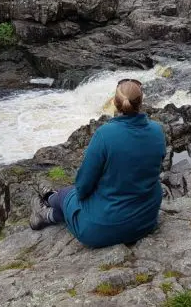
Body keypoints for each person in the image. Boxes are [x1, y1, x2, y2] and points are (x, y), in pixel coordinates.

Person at [29, 79, 166, 248]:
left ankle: (49, 203)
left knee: (68, 194)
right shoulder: (157, 131)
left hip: (103, 229)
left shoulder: (104, 134)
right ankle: (48, 207)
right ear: (141, 101)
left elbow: (83, 187)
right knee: (77, 197)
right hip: (145, 221)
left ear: (114, 103)